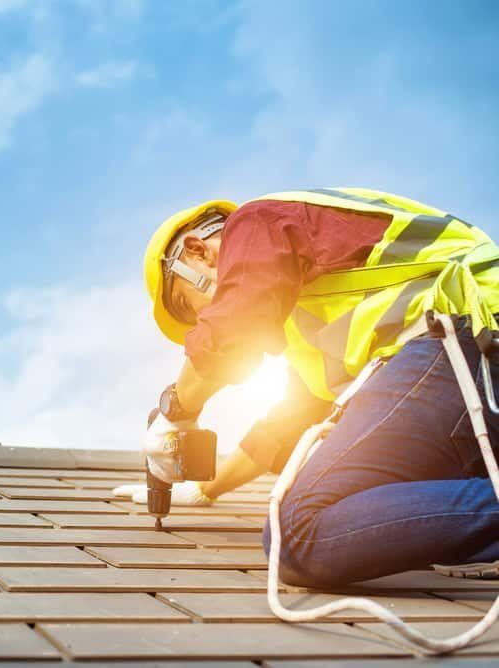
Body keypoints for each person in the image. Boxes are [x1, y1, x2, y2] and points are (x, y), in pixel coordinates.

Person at [130, 188, 499, 586]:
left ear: (197, 251)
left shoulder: (258, 223)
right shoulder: (311, 322)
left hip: (464, 341)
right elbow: (291, 419)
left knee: (297, 533)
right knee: (389, 519)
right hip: (470, 365)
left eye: (187, 307)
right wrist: (207, 488)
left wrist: (176, 411)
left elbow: (231, 333)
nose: (199, 323)